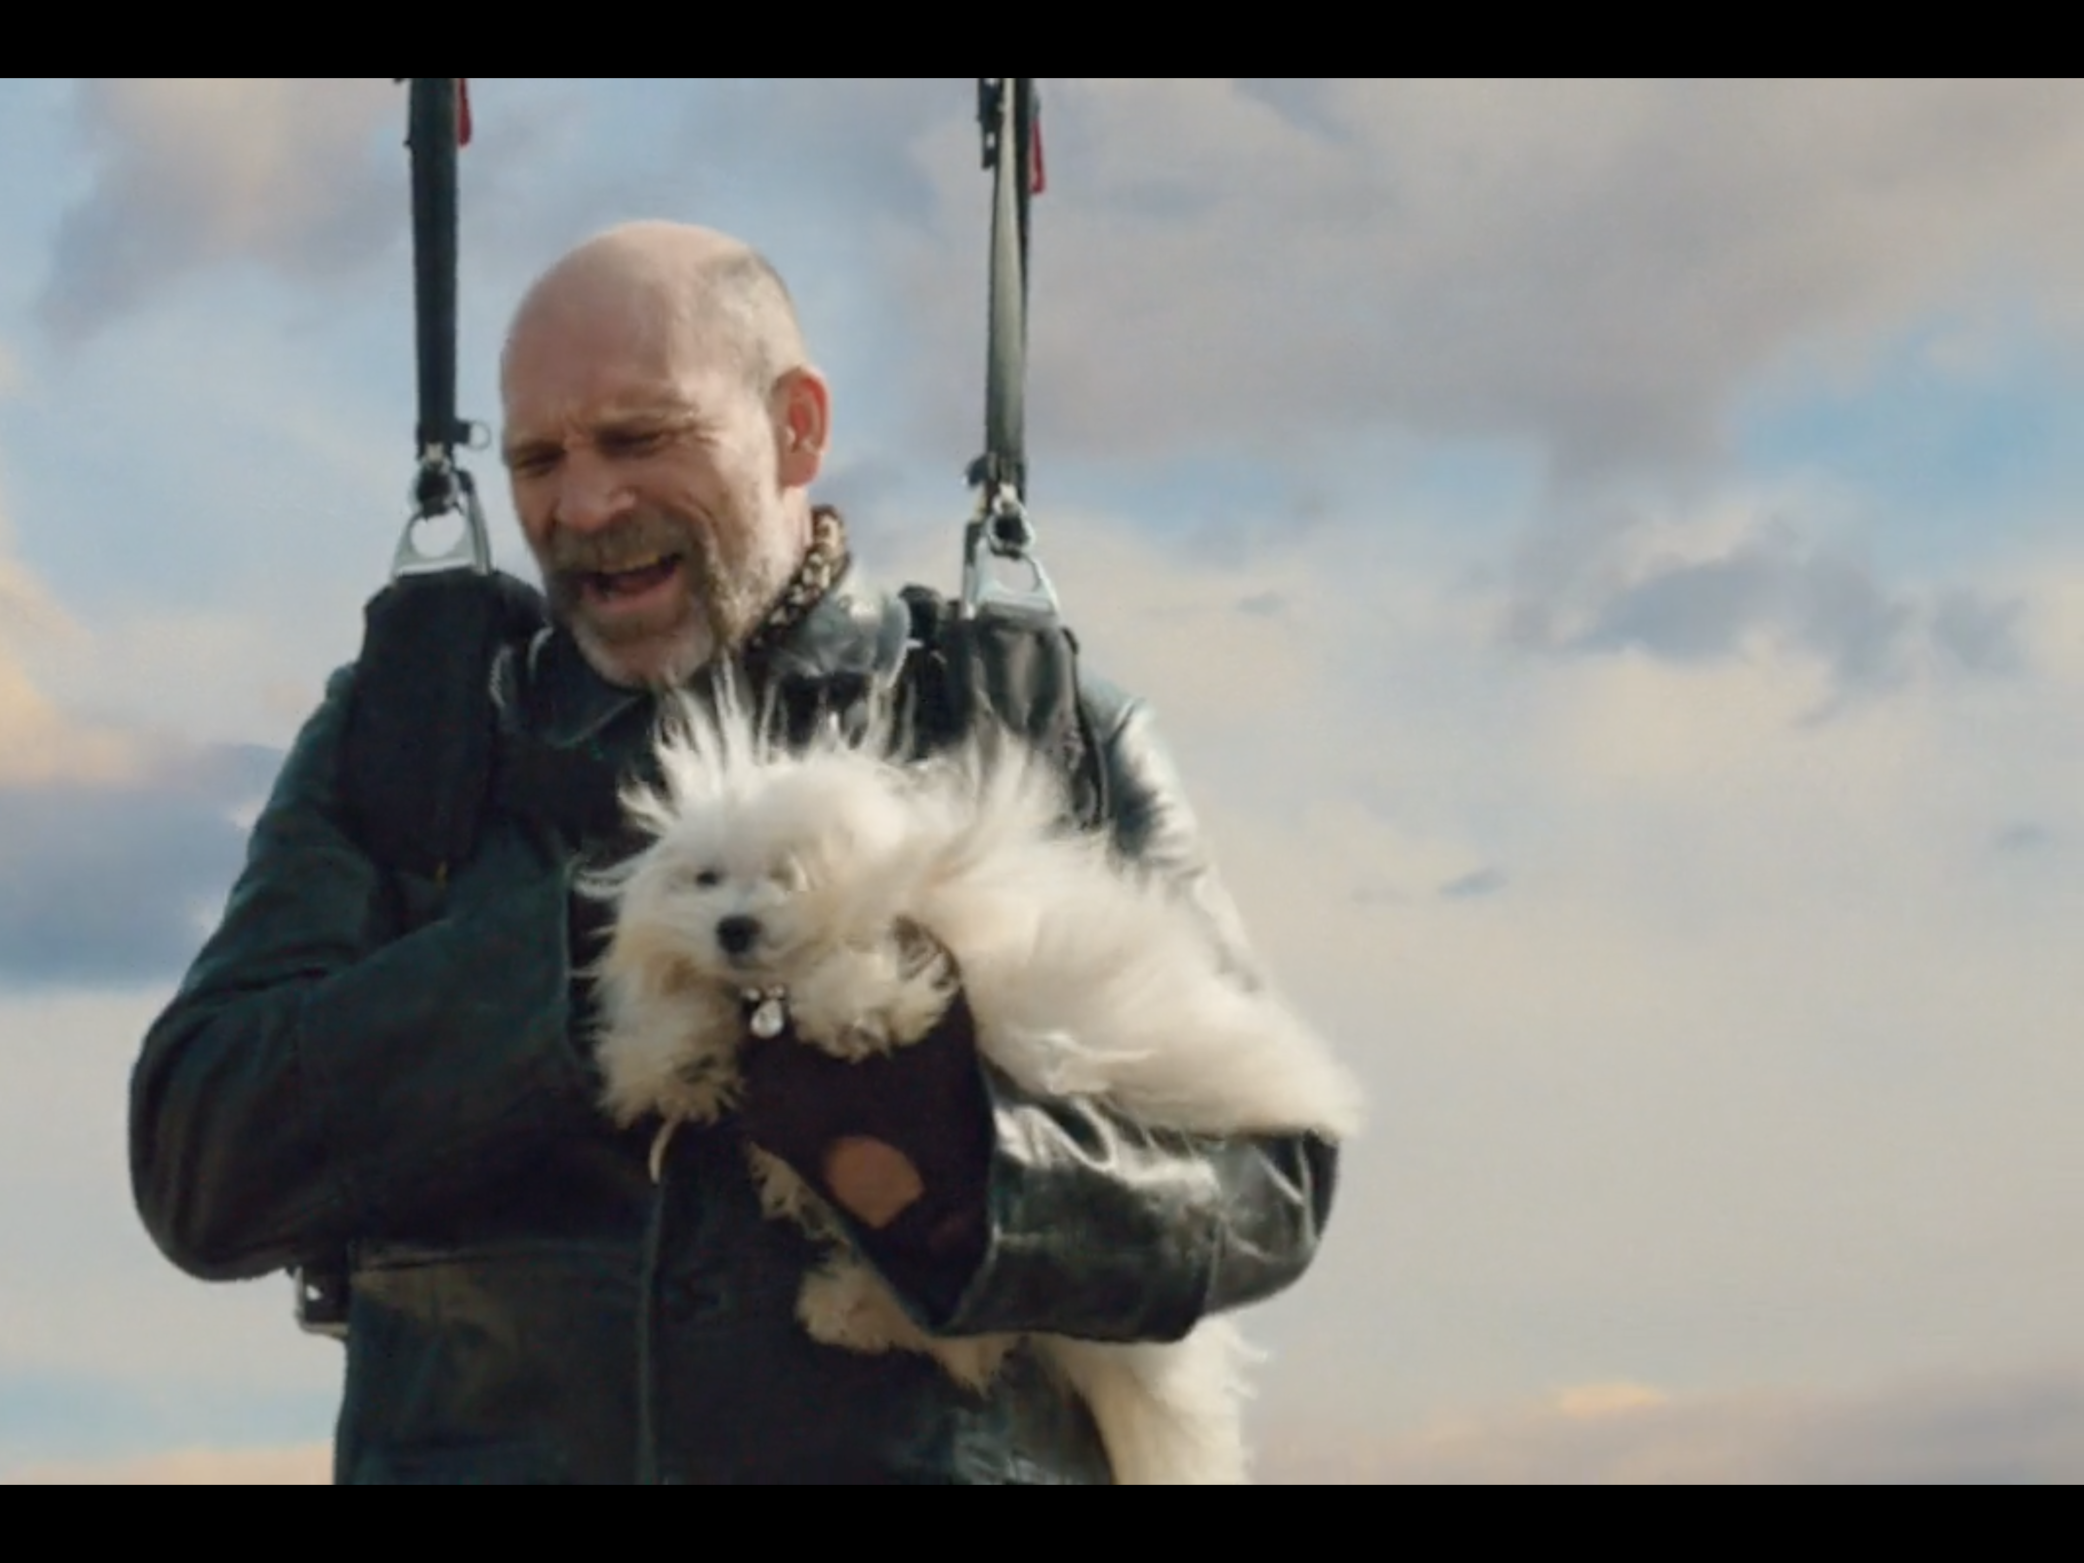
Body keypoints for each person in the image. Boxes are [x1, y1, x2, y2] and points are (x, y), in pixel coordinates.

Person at [129, 219, 1343, 1484]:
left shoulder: (1033, 727)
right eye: (538, 458)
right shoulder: (414, 747)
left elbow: (1272, 1180)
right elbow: (198, 1160)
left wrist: (959, 1183)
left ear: (795, 429)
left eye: (639, 438)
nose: (583, 505)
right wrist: (582, 967)